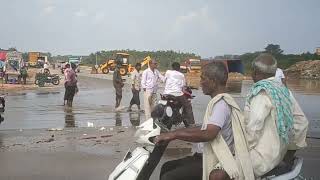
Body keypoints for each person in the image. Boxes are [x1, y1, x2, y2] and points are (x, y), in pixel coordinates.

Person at [155, 62, 254, 180]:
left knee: (168, 177)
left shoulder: (220, 105)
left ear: (214, 81)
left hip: (213, 158)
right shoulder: (220, 101)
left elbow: (208, 133)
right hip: (203, 155)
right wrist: (176, 133)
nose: (200, 83)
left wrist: (174, 134)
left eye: (203, 78)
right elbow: (204, 128)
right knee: (167, 167)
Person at [244, 53, 308, 178]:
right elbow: (302, 122)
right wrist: (289, 152)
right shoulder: (283, 91)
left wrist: (242, 149)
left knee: (219, 170)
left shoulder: (261, 93)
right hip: (279, 156)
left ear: (255, 72)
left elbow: (253, 127)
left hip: (261, 159)